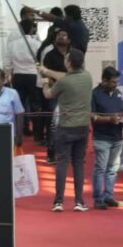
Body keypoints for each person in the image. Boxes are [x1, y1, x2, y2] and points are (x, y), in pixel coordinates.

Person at [46, 43, 95, 211]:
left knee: (62, 164)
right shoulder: (88, 77)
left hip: (65, 128)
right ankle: (79, 201)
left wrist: (44, 81)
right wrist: (48, 72)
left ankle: (58, 202)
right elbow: (64, 76)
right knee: (78, 164)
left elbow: (48, 94)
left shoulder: (64, 82)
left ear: (69, 63)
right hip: (83, 128)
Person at [89, 66, 123, 209]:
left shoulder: (118, 93)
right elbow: (91, 116)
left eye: (117, 82)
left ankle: (109, 196)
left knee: (113, 169)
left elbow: (121, 109)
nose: (116, 84)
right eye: (113, 82)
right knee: (100, 169)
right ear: (104, 80)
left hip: (117, 137)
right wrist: (109, 119)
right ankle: (98, 198)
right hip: (102, 138)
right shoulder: (95, 94)